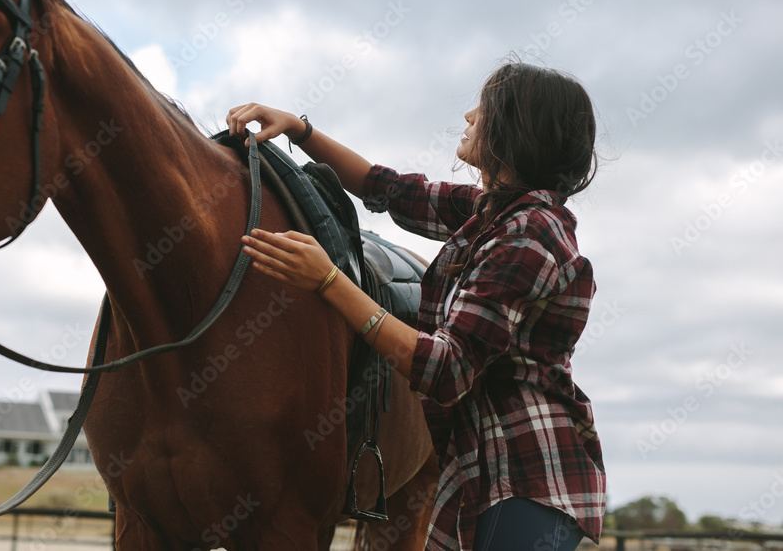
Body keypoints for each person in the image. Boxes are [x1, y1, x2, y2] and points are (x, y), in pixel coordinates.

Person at [226, 61, 606, 551]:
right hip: (488, 475)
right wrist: (299, 129)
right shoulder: (494, 214)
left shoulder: (528, 235)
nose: (469, 116)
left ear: (516, 128)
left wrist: (327, 280)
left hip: (525, 476)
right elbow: (382, 186)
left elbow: (445, 369)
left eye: (484, 108)